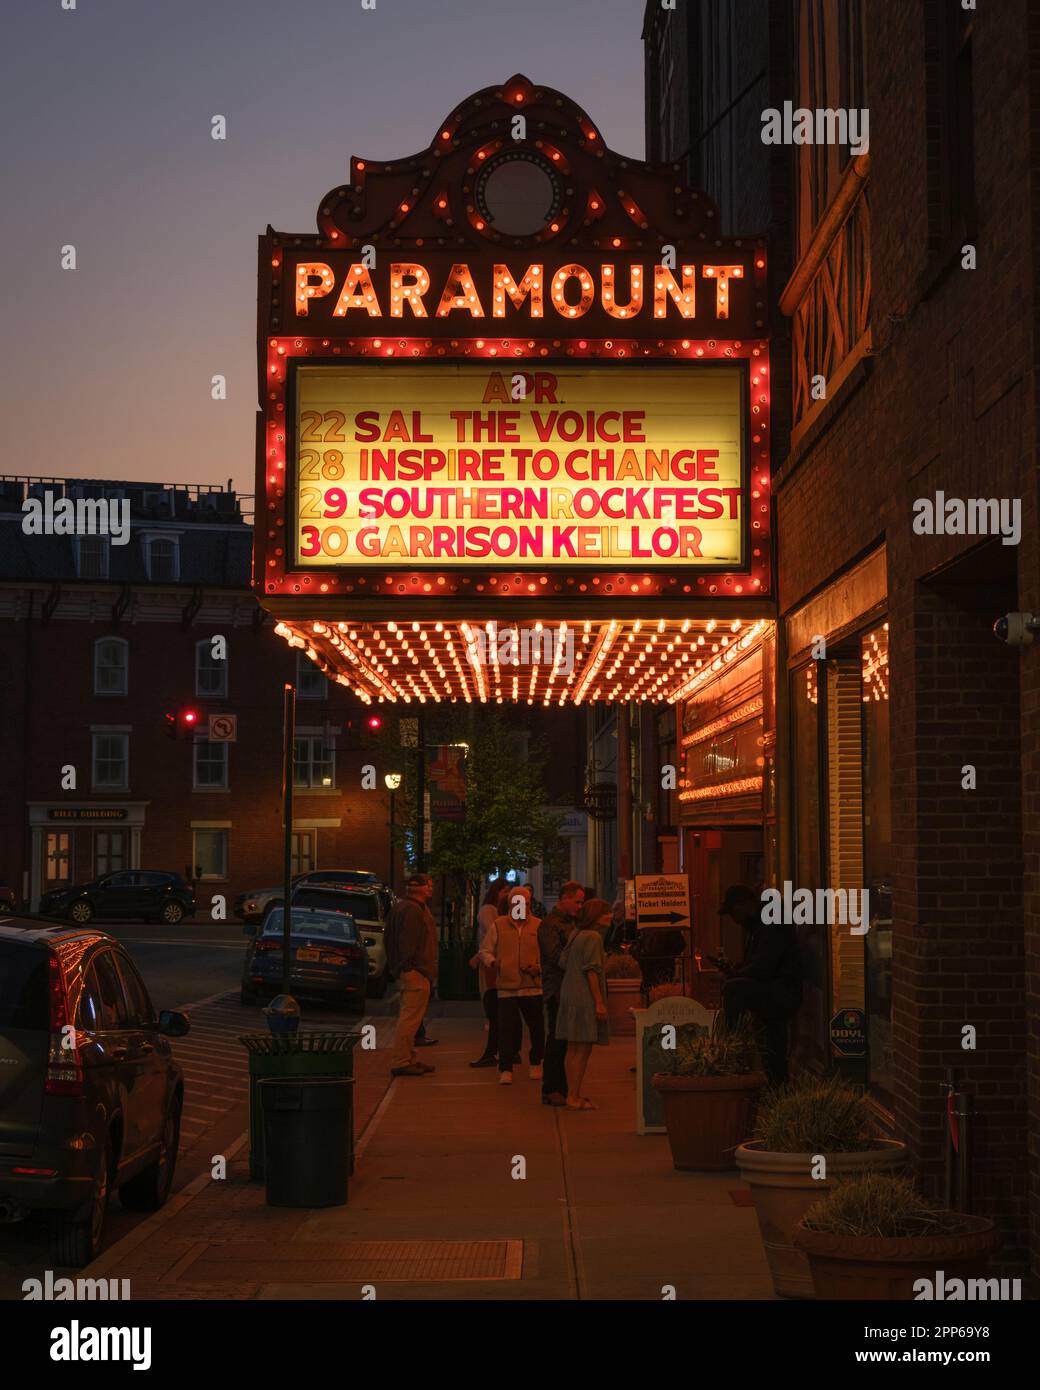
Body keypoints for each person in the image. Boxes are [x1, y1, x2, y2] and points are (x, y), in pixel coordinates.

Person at [717, 884, 803, 1086]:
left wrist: (737, 975)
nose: (734, 920)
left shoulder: (771, 921)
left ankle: (732, 1048)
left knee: (733, 990)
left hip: (782, 990)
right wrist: (736, 971)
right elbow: (757, 964)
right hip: (774, 989)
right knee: (771, 1045)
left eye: (734, 913)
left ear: (745, 904)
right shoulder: (759, 925)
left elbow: (764, 966)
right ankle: (775, 1084)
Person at [479, 885, 544, 1086]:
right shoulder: (499, 925)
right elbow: (485, 950)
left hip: (532, 986)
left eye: (524, 903)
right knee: (506, 1029)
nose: (521, 906)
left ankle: (536, 1062)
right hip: (506, 986)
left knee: (537, 1028)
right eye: (517, 903)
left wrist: (538, 967)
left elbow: (547, 954)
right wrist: (493, 962)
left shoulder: (538, 925)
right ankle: (505, 1068)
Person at [556, 897, 611, 1110]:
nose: (610, 916)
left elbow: (562, 961)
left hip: (569, 993)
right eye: (605, 912)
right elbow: (592, 971)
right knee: (583, 1049)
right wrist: (599, 1002)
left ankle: (572, 1093)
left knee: (573, 1048)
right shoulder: (594, 937)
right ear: (596, 916)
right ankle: (574, 1096)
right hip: (584, 997)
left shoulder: (575, 934)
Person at [385, 872, 438, 1077]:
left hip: (412, 970)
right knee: (410, 1019)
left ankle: (409, 1057)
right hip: (416, 972)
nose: (431, 889)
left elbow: (390, 937)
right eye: (429, 885)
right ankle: (401, 1060)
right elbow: (408, 942)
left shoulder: (402, 907)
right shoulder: (413, 910)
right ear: (421, 888)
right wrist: (408, 967)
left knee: (411, 1018)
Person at [537, 880, 585, 1105]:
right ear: (564, 898)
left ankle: (562, 1088)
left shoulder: (572, 923)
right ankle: (551, 1088)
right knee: (556, 1039)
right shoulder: (550, 924)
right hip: (557, 987)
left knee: (565, 1040)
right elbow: (555, 957)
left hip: (568, 986)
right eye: (577, 901)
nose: (580, 906)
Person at [469, 877, 506, 1067]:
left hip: (497, 964)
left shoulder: (500, 912)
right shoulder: (488, 910)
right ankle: (496, 1051)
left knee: (497, 1008)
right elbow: (493, 933)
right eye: (504, 892)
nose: (506, 896)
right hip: (490, 963)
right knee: (492, 1004)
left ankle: (497, 1051)